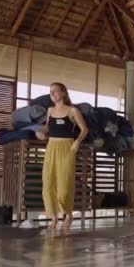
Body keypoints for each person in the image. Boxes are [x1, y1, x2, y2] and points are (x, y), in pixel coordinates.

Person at [39, 82, 88, 230]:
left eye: (55, 91)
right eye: (50, 92)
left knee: (64, 185)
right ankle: (53, 216)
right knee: (48, 183)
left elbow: (84, 129)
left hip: (67, 147)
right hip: (51, 147)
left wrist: (78, 142)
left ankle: (68, 214)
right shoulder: (49, 110)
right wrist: (40, 132)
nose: (52, 94)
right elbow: (48, 128)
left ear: (63, 93)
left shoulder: (73, 111)